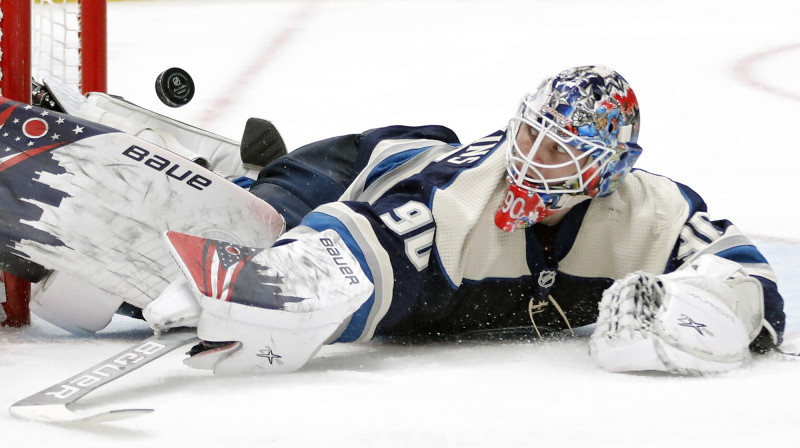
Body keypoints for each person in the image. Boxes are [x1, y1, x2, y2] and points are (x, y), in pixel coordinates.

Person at [143, 65, 784, 376]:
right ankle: (251, 175)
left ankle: (256, 168)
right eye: (529, 135)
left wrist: (687, 313)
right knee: (272, 216)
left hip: (415, 172)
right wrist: (256, 281)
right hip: (385, 168)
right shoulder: (457, 204)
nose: (530, 158)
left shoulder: (652, 212)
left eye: (558, 148)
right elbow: (357, 248)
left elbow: (747, 277)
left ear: (609, 167)